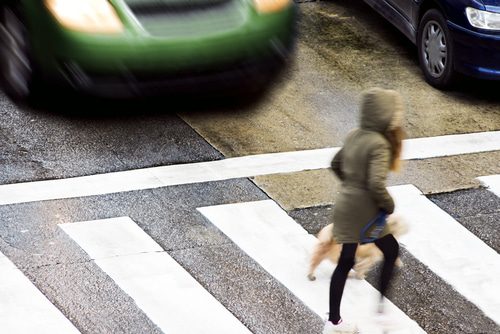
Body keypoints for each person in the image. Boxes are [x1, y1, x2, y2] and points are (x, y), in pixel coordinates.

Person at [323, 87, 405, 334]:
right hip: (366, 210)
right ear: (383, 115)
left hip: (346, 204)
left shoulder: (354, 135)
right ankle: (380, 311)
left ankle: (334, 322)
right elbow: (376, 184)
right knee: (391, 251)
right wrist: (389, 205)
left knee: (346, 260)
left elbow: (335, 163)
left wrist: (350, 184)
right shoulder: (380, 143)